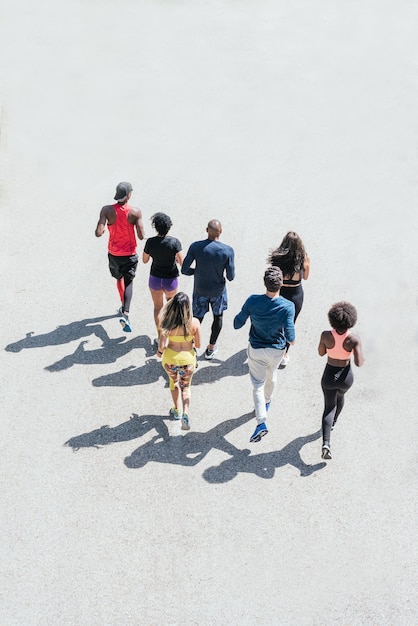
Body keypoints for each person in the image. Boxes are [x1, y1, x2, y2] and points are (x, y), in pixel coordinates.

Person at [233, 267, 295, 443]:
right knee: (272, 373)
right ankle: (267, 401)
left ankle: (261, 422)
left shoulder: (253, 301)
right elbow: (291, 337)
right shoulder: (288, 306)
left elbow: (237, 324)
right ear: (281, 283)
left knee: (257, 385)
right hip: (277, 350)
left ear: (264, 283)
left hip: (257, 349)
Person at [181, 219, 235, 359]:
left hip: (200, 290)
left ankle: (191, 346)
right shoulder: (227, 250)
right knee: (218, 317)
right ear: (221, 232)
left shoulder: (196, 246)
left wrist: (197, 271)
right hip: (218, 291)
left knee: (197, 318)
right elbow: (230, 276)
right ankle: (211, 348)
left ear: (206, 230)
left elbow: (185, 269)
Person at [95, 182, 145, 332]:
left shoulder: (106, 210)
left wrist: (103, 229)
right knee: (129, 282)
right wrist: (137, 224)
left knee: (119, 279)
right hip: (129, 254)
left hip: (114, 253)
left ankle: (122, 304)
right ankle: (126, 313)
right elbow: (142, 236)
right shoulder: (135, 212)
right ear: (129, 195)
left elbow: (98, 232)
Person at [318, 301, 365, 460]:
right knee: (340, 398)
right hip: (345, 377)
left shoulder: (326, 335)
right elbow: (359, 363)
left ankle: (326, 443)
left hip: (329, 375)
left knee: (328, 407)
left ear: (332, 319)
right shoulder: (353, 339)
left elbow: (321, 353)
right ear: (351, 320)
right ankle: (334, 422)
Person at [157, 292, 201, 431]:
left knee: (174, 383)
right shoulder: (194, 323)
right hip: (188, 360)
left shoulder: (167, 322)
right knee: (185, 386)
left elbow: (162, 346)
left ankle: (176, 410)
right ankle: (186, 413)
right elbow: (199, 345)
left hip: (170, 359)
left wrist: (159, 353)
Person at [268, 231, 310, 366]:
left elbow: (273, 276)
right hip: (295, 295)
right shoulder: (304, 259)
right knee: (290, 324)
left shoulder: (276, 258)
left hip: (279, 293)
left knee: (275, 321)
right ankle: (284, 353)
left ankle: (271, 346)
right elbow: (305, 277)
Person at [142, 212, 183, 342]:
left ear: (155, 227)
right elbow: (182, 262)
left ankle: (160, 337)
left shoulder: (150, 242)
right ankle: (171, 334)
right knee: (171, 307)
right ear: (169, 227)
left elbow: (144, 260)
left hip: (155, 279)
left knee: (158, 307)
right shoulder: (174, 242)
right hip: (170, 280)